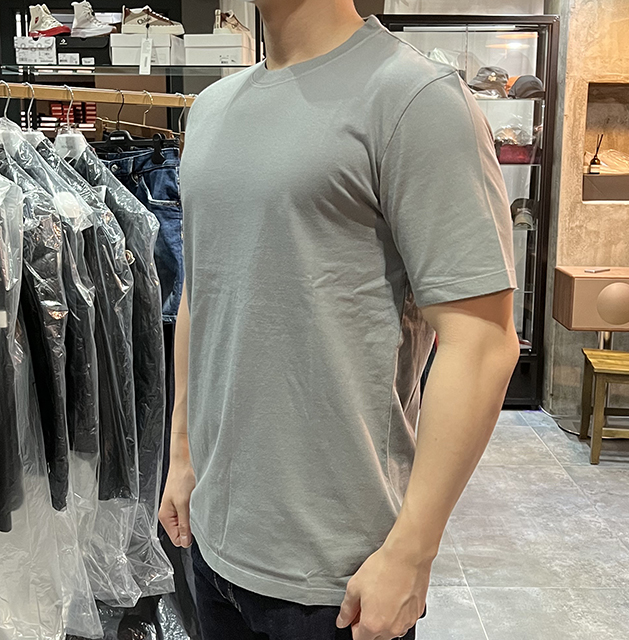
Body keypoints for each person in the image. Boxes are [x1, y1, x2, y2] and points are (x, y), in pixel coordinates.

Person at [159, 0, 521, 638]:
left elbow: (482, 341)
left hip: (338, 577)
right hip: (215, 546)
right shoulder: (212, 109)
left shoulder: (415, 99)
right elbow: (203, 290)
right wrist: (182, 450)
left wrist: (413, 550)